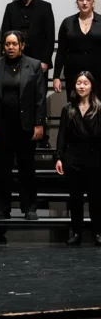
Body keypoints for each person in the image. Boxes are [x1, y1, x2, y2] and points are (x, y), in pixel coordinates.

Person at [0, 31, 46, 220]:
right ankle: (2, 208)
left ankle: (29, 208)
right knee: (2, 170)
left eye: (14, 44)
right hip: (1, 126)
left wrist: (39, 123)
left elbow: (40, 98)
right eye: (7, 44)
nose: (10, 47)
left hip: (25, 126)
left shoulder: (33, 65)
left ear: (22, 45)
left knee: (27, 169)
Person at [0, 0, 55, 147]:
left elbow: (50, 36)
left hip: (39, 62)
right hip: (15, 61)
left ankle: (41, 135)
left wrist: (45, 60)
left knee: (39, 97)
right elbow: (5, 34)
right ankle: (18, 133)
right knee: (17, 96)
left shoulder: (45, 7)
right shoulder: (11, 8)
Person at [55, 71, 101, 246]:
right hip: (73, 158)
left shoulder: (99, 108)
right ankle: (76, 233)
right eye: (79, 83)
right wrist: (59, 157)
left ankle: (98, 232)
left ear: (91, 86)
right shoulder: (68, 109)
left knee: (96, 199)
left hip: (94, 159)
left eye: (85, 83)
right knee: (75, 199)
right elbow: (61, 137)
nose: (81, 86)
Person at [53, 0, 101, 97]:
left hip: (98, 73)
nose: (84, 3)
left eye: (88, 0)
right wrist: (56, 77)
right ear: (77, 2)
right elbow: (61, 52)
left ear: (93, 3)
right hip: (73, 73)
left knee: (97, 108)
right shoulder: (67, 23)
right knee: (73, 108)